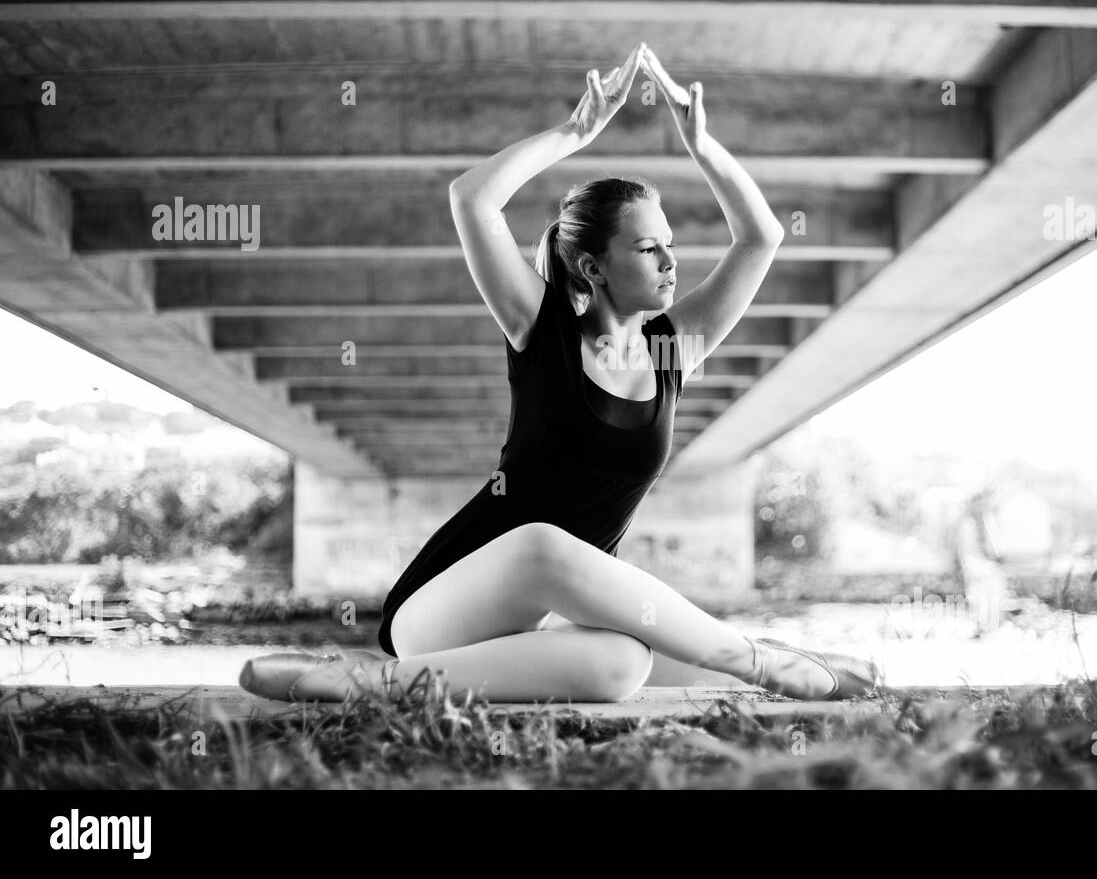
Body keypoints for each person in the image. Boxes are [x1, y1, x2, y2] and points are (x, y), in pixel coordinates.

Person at [239, 43, 882, 704]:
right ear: (593, 269)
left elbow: (761, 237)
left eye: (670, 244)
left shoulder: (669, 351)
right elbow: (471, 199)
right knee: (544, 544)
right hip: (445, 611)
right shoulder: (541, 331)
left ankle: (365, 684)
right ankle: (760, 660)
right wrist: (575, 132)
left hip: (544, 628)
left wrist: (702, 145)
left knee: (620, 668)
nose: (669, 260)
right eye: (647, 246)